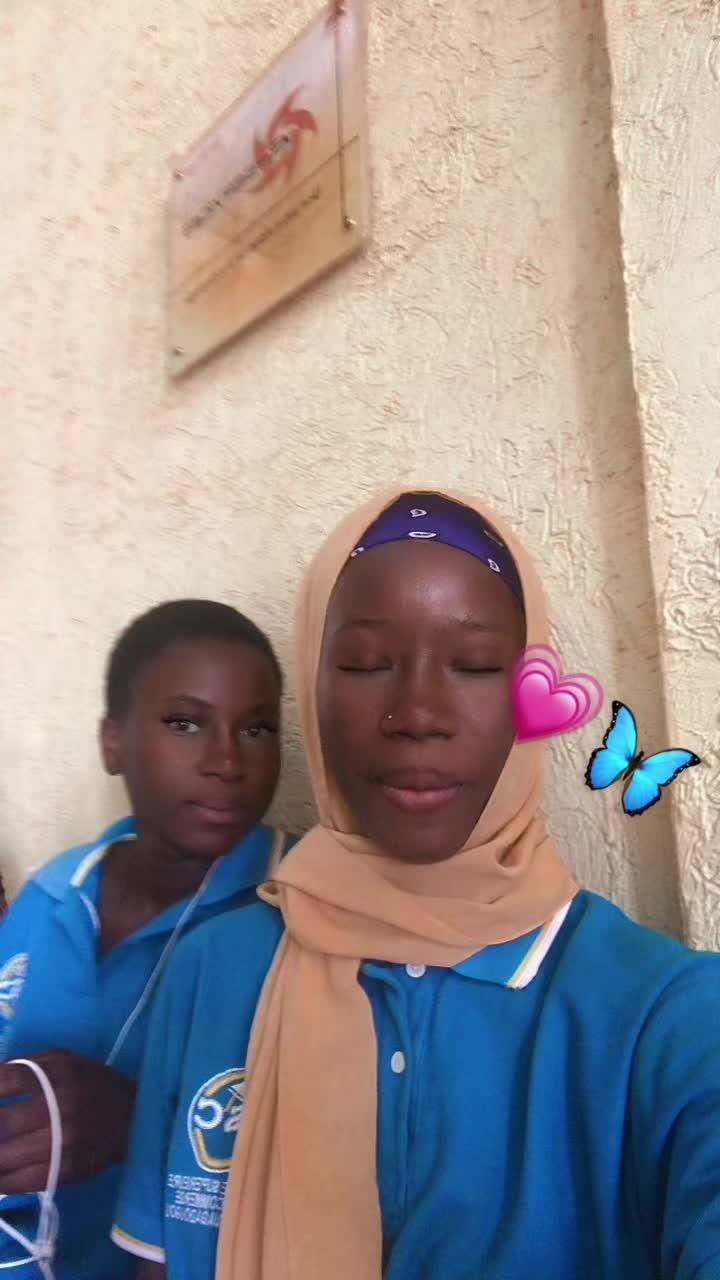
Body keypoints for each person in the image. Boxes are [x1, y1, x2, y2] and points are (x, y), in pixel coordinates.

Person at [114, 493, 720, 1280]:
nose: (418, 714)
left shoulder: (660, 1015)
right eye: (366, 665)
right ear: (313, 691)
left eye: (476, 666)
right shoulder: (212, 970)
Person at [0, 599, 294, 1279]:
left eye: (256, 728)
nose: (227, 761)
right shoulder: (54, 891)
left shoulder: (302, 908)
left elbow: (350, 1151)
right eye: (185, 723)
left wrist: (139, 1120)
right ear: (113, 742)